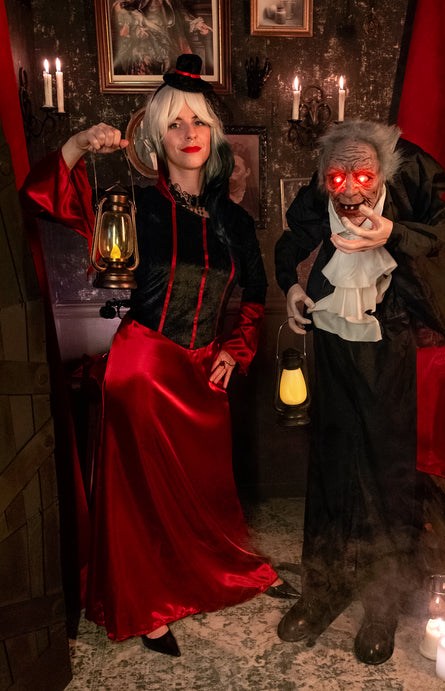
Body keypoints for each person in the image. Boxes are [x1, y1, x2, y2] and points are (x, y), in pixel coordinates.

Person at [20, 53, 296, 657]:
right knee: (142, 495)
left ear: (213, 134)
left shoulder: (233, 221)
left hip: (203, 374)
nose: (189, 133)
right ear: (155, 139)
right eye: (175, 123)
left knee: (204, 490)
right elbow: (43, 199)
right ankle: (147, 604)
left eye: (198, 121)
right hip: (143, 368)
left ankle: (213, 570)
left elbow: (254, 294)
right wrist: (78, 144)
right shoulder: (134, 205)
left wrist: (236, 351)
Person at [274, 120, 445, 665]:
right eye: (337, 178)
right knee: (331, 461)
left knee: (386, 467)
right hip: (331, 338)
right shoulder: (319, 196)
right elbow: (291, 242)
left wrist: (392, 233)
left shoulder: (411, 182)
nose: (350, 190)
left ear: (382, 174)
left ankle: (383, 602)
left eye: (362, 177)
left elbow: (443, 231)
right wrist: (293, 288)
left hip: (390, 336)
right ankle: (323, 587)